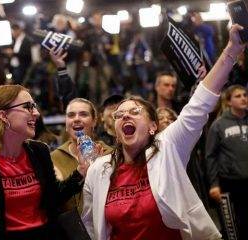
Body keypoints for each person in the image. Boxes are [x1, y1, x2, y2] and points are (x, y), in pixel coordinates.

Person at [81, 24, 245, 240]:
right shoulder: (99, 170)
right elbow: (92, 226)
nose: (125, 116)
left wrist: (232, 49)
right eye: (119, 115)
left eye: (135, 111)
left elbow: (200, 103)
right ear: (117, 131)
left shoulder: (167, 148)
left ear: (152, 127)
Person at [0, 84, 89, 239]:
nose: (37, 113)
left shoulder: (39, 151)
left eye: (34, 106)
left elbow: (53, 197)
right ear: (3, 116)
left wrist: (80, 172)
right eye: (28, 107)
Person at [51, 97, 112, 213]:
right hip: (70, 228)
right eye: (71, 115)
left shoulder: (110, 154)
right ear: (66, 123)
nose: (76, 119)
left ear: (94, 121)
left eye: (83, 114)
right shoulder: (53, 158)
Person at [205, 84, 248, 239]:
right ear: (229, 101)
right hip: (229, 183)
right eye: (238, 96)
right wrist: (214, 184)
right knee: (232, 230)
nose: (243, 98)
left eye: (245, 95)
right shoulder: (219, 124)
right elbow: (210, 156)